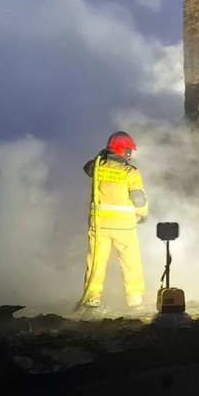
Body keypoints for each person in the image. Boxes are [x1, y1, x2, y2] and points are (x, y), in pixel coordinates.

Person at [77, 131, 149, 314]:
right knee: (131, 263)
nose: (130, 155)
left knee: (96, 263)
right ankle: (135, 302)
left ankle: (92, 301)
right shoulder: (130, 172)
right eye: (128, 150)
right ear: (122, 150)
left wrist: (102, 154)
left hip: (99, 226)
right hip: (124, 227)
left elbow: (86, 167)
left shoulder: (97, 168)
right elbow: (139, 199)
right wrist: (143, 214)